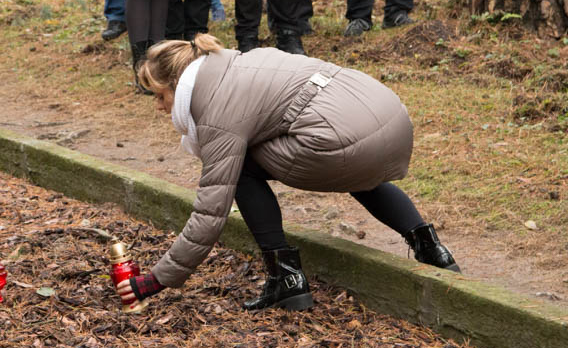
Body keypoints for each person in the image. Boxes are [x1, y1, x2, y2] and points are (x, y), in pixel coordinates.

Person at [115, 34, 460, 311]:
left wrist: (156, 280)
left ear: (178, 83)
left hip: (343, 137)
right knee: (351, 158)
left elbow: (210, 213)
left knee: (241, 166)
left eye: (159, 96)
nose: (158, 107)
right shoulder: (242, 61)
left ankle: (287, 279)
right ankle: (432, 250)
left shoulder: (218, 105)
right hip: (389, 118)